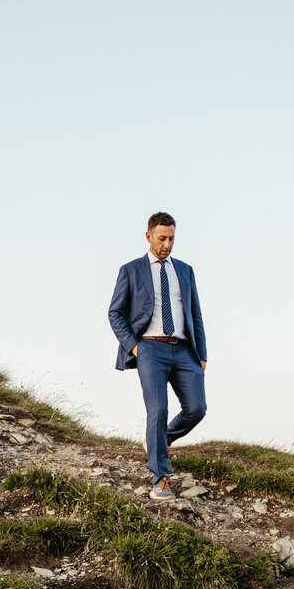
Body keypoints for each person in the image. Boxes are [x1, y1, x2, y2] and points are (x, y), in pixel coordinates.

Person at [108, 212, 207, 501]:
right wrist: (134, 346)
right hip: (150, 347)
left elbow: (195, 314)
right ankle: (161, 478)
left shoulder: (185, 271)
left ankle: (160, 440)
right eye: (162, 238)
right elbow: (115, 313)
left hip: (184, 348)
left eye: (172, 238)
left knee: (196, 408)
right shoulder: (131, 270)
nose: (167, 244)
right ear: (148, 236)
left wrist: (202, 353)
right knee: (158, 409)